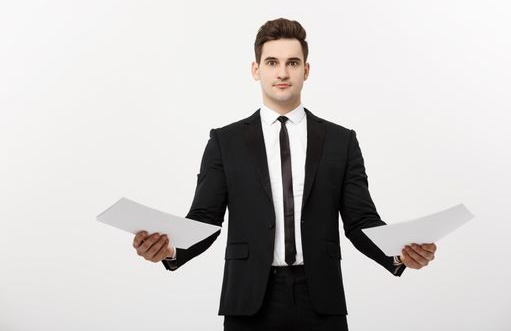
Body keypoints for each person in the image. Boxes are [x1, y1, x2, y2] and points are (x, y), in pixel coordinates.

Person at [132, 18, 437, 331]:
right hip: (249, 299)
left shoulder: (340, 141)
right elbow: (205, 218)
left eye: (292, 62)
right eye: (272, 62)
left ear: (306, 70)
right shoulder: (225, 141)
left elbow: (360, 222)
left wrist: (399, 255)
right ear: (256, 70)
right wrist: (169, 250)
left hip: (320, 298)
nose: (282, 72)